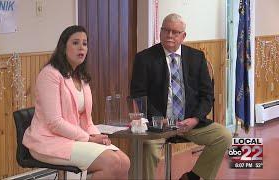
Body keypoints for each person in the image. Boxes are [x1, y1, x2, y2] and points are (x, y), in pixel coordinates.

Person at [130, 13, 232, 180]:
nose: (170, 35)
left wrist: (196, 119)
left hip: (189, 123)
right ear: (160, 32)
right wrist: (158, 119)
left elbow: (207, 95)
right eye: (166, 30)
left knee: (224, 136)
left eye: (175, 32)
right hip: (158, 125)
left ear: (183, 36)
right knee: (146, 147)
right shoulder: (144, 58)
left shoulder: (196, 57)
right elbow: (138, 94)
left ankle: (192, 177)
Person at [23, 25, 130, 180]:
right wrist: (89, 139)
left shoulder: (81, 76)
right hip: (48, 141)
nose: (81, 47)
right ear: (63, 47)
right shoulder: (49, 75)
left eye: (84, 43)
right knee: (112, 162)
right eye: (75, 43)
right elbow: (55, 123)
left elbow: (87, 120)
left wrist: (98, 136)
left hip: (75, 139)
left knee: (124, 162)